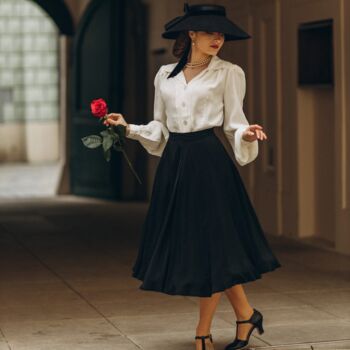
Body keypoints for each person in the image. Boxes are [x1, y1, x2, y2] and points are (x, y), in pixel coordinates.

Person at [104, 3, 282, 350]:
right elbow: (161, 127)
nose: (218, 38)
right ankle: (246, 315)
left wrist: (246, 134)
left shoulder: (230, 73)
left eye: (221, 33)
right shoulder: (164, 75)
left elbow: (234, 120)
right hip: (176, 163)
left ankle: (202, 332)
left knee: (210, 248)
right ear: (191, 34)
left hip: (209, 162)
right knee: (207, 247)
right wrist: (127, 128)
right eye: (209, 31)